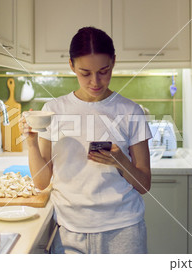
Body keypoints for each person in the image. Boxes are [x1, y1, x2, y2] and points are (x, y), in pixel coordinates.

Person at [20, 26, 152, 254]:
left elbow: (144, 185)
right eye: (85, 73)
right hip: (69, 230)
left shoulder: (131, 111)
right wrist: (30, 141)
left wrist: (120, 160)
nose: (95, 81)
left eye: (104, 71)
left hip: (124, 230)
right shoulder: (53, 110)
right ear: (71, 65)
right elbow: (41, 182)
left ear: (113, 62)